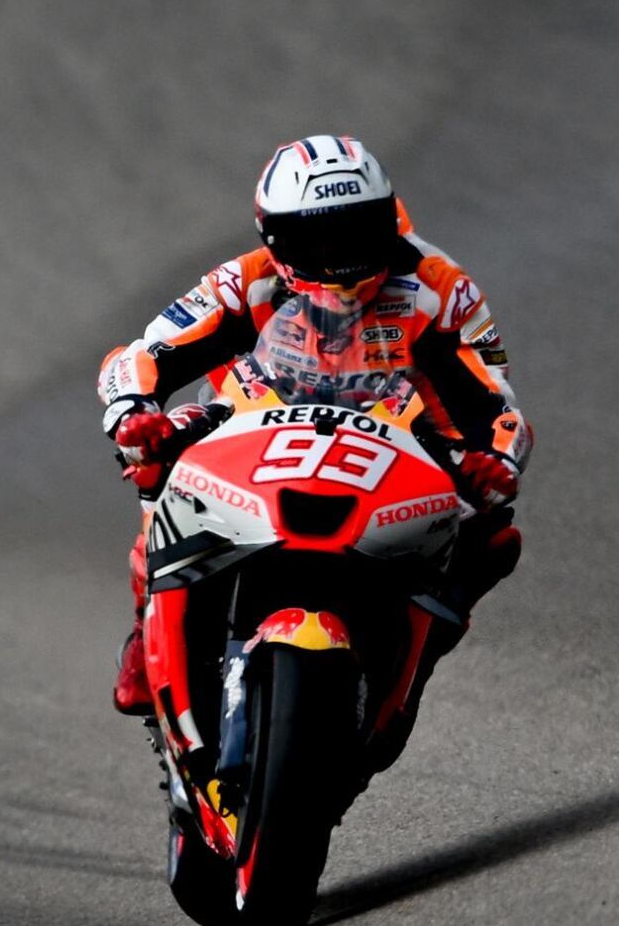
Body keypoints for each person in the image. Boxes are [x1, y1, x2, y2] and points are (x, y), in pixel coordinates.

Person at [96, 134, 532, 770]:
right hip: (251, 426)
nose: (340, 260)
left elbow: (497, 401)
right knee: (158, 458)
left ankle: (409, 664)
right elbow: (141, 355)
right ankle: (148, 620)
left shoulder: (441, 288)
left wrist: (494, 460)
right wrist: (134, 412)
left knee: (491, 535)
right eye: (317, 242)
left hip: (402, 443)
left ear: (387, 220)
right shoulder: (245, 280)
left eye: (357, 234)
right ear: (276, 240)